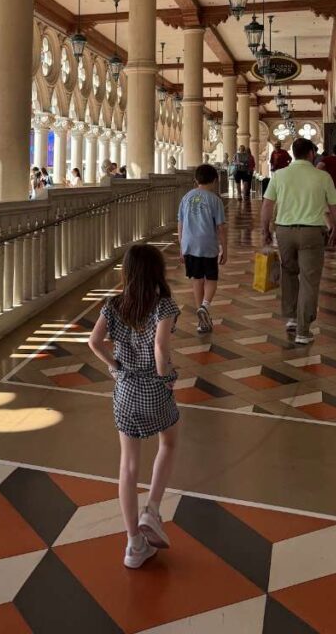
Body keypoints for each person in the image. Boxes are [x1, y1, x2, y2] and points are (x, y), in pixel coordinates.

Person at [88, 245, 180, 570]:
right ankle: (152, 510)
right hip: (154, 389)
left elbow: (93, 342)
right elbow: (159, 345)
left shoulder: (113, 305)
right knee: (168, 443)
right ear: (157, 272)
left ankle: (133, 544)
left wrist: (114, 367)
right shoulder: (163, 305)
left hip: (125, 391)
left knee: (128, 467)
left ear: (127, 272)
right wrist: (166, 376)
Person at [261, 137, 336, 345]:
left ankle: (291, 318)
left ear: (293, 153)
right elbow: (335, 207)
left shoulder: (279, 175)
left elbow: (267, 205)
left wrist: (265, 230)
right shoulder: (322, 177)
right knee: (309, 280)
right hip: (312, 233)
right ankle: (303, 330)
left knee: (289, 273)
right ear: (310, 154)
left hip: (285, 232)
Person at [177, 163, 228, 334]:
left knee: (196, 280)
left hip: (189, 245)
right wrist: (224, 249)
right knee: (211, 278)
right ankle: (205, 306)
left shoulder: (186, 197)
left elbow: (180, 224)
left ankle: (201, 320)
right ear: (215, 180)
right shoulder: (215, 200)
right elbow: (221, 227)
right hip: (208, 245)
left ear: (196, 180)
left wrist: (181, 246)